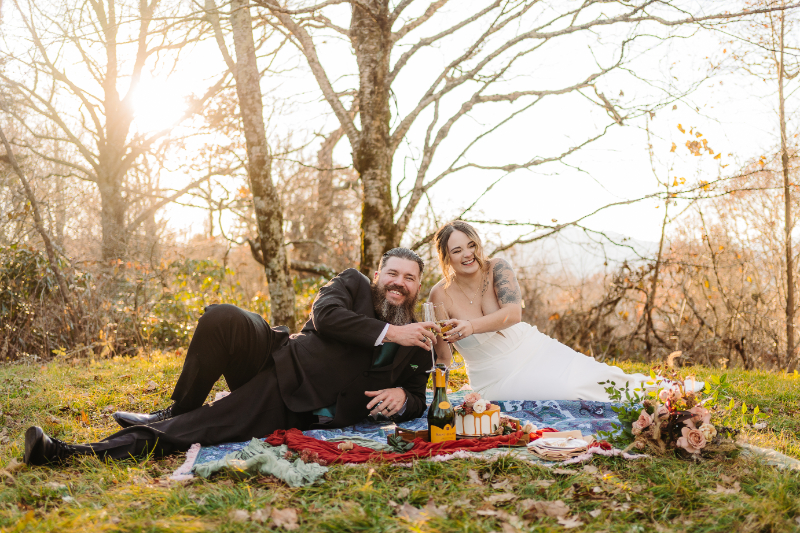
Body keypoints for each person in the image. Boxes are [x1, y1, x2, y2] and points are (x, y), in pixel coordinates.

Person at [24, 248, 440, 465]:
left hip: (291, 404)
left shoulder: (420, 339)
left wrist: (406, 399)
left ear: (418, 286)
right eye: (392, 274)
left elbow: (421, 398)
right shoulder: (352, 285)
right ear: (377, 275)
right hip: (280, 354)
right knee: (222, 317)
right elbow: (325, 317)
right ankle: (175, 406)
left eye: (409, 278)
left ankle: (64, 452)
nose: (398, 283)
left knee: (197, 428)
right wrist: (390, 332)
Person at [428, 220, 659, 402]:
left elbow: (513, 313)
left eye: (471, 245)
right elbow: (443, 356)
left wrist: (471, 326)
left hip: (532, 348)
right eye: (457, 250)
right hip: (495, 378)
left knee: (596, 375)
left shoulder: (496, 268)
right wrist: (439, 396)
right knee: (567, 390)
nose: (468, 254)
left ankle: (663, 394)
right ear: (446, 257)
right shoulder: (439, 295)